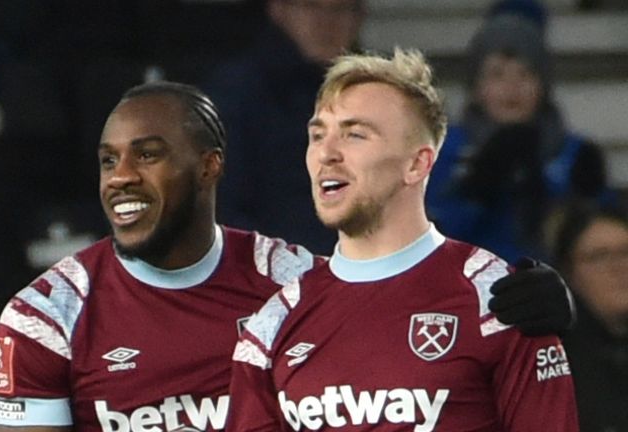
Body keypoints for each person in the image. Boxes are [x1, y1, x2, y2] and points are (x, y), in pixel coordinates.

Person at [0, 81, 573, 431]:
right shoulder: (46, 316)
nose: (122, 178)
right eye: (109, 161)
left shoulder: (289, 283)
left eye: (148, 155)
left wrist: (543, 301)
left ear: (210, 166)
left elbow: (394, 296)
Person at [227, 49, 578, 430]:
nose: (326, 153)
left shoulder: (500, 300)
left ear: (417, 164)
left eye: (355, 134)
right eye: (317, 135)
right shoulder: (273, 322)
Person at [426, 0, 611, 262]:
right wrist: (476, 190)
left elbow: (597, 241)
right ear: (476, 88)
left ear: (543, 85)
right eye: (497, 74)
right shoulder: (443, 150)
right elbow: (428, 239)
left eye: (525, 74)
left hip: (553, 290)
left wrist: (581, 201)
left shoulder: (576, 153)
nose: (512, 87)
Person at [203, 0, 365, 255]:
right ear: (278, 9)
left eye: (341, 9)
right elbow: (222, 206)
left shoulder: (375, 96)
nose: (326, 23)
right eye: (312, 7)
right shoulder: (239, 93)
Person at [550, 202, 628, 432]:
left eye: (626, 253)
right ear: (569, 273)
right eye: (599, 256)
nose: (618, 267)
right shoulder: (553, 361)